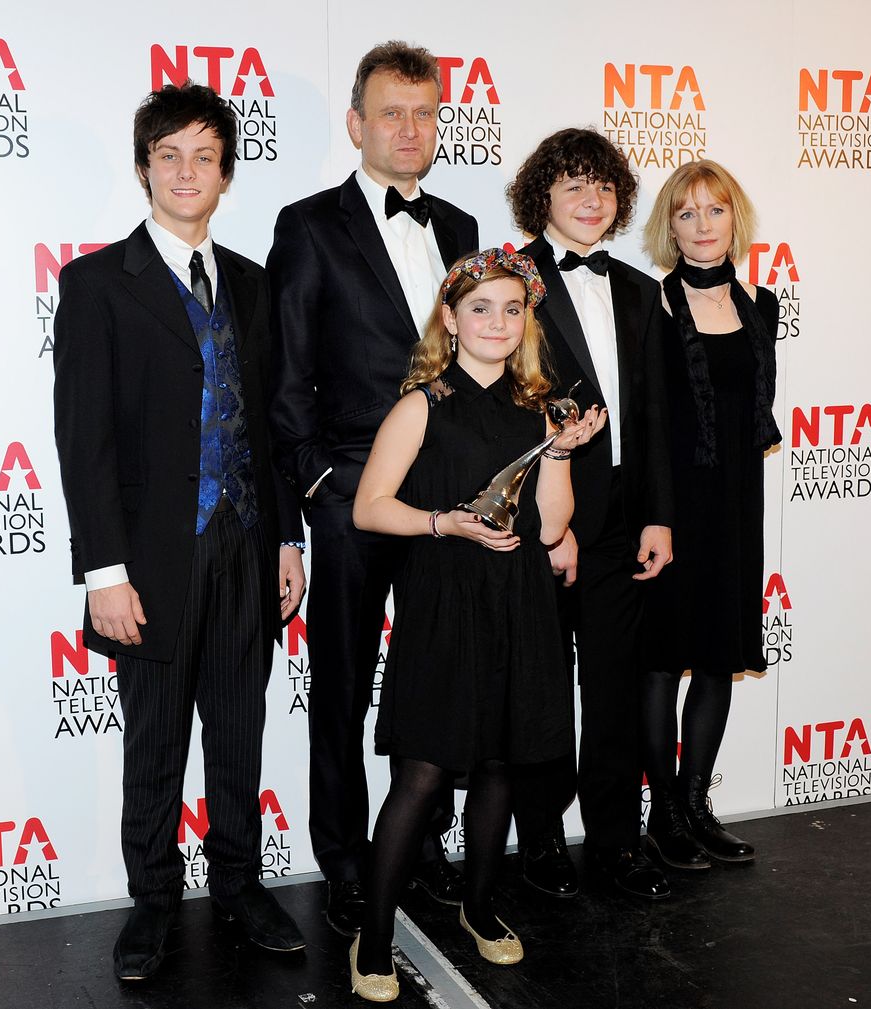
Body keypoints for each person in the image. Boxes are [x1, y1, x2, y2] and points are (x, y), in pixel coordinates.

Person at [53, 81, 307, 981]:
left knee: (239, 731)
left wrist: (288, 540)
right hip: (151, 559)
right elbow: (83, 440)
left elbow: (276, 424)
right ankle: (154, 900)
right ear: (143, 169)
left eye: (204, 155)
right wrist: (103, 572)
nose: (186, 171)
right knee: (154, 741)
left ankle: (240, 885)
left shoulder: (252, 282)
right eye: (169, 156)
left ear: (227, 173)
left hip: (245, 541)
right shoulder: (94, 284)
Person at [349, 249, 605, 1001]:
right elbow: (369, 507)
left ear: (527, 321)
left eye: (512, 308)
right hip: (442, 600)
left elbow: (554, 524)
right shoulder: (421, 404)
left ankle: (480, 905)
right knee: (423, 773)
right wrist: (445, 523)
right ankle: (372, 935)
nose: (498, 321)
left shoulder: (541, 411)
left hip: (520, 602)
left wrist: (557, 452)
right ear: (452, 320)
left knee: (502, 764)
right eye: (481, 308)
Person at [267, 41, 479, 934]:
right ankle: (347, 860)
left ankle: (419, 846)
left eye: (425, 112)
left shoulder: (463, 230)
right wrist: (318, 483)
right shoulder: (309, 224)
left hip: (447, 505)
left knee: (432, 683)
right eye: (390, 112)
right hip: (351, 497)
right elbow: (283, 376)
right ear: (356, 123)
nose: (409, 129)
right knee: (344, 690)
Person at [506, 128, 674, 900]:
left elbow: (656, 421)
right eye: (572, 184)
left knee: (612, 689)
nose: (589, 199)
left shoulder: (640, 291)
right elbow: (499, 412)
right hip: (541, 524)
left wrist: (658, 516)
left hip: (619, 527)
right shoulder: (510, 283)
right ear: (541, 195)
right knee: (540, 689)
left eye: (602, 186)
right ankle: (539, 838)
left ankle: (615, 840)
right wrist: (549, 523)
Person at [639, 160, 780, 869]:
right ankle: (662, 812)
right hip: (671, 506)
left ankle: (696, 804)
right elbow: (651, 423)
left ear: (735, 219)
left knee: (718, 656)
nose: (702, 225)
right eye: (687, 213)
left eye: (714, 211)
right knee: (663, 660)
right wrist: (655, 514)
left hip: (735, 502)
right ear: (671, 225)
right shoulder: (652, 304)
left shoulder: (763, 301)